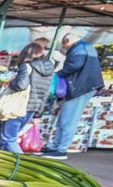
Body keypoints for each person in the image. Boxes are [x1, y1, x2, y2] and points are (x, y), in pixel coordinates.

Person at [44, 31, 104, 159]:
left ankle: (61, 149)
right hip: (83, 86)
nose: (64, 48)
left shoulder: (79, 48)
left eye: (64, 46)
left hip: (81, 87)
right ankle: (55, 146)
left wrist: (59, 73)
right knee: (65, 118)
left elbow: (75, 65)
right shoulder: (85, 47)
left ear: (67, 41)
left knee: (68, 119)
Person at [0, 41, 54, 154]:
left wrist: (12, 81)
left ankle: (21, 161)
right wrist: (38, 114)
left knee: (9, 138)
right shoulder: (48, 71)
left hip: (18, 108)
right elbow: (45, 94)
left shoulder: (26, 66)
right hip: (31, 109)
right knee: (7, 138)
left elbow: (21, 84)